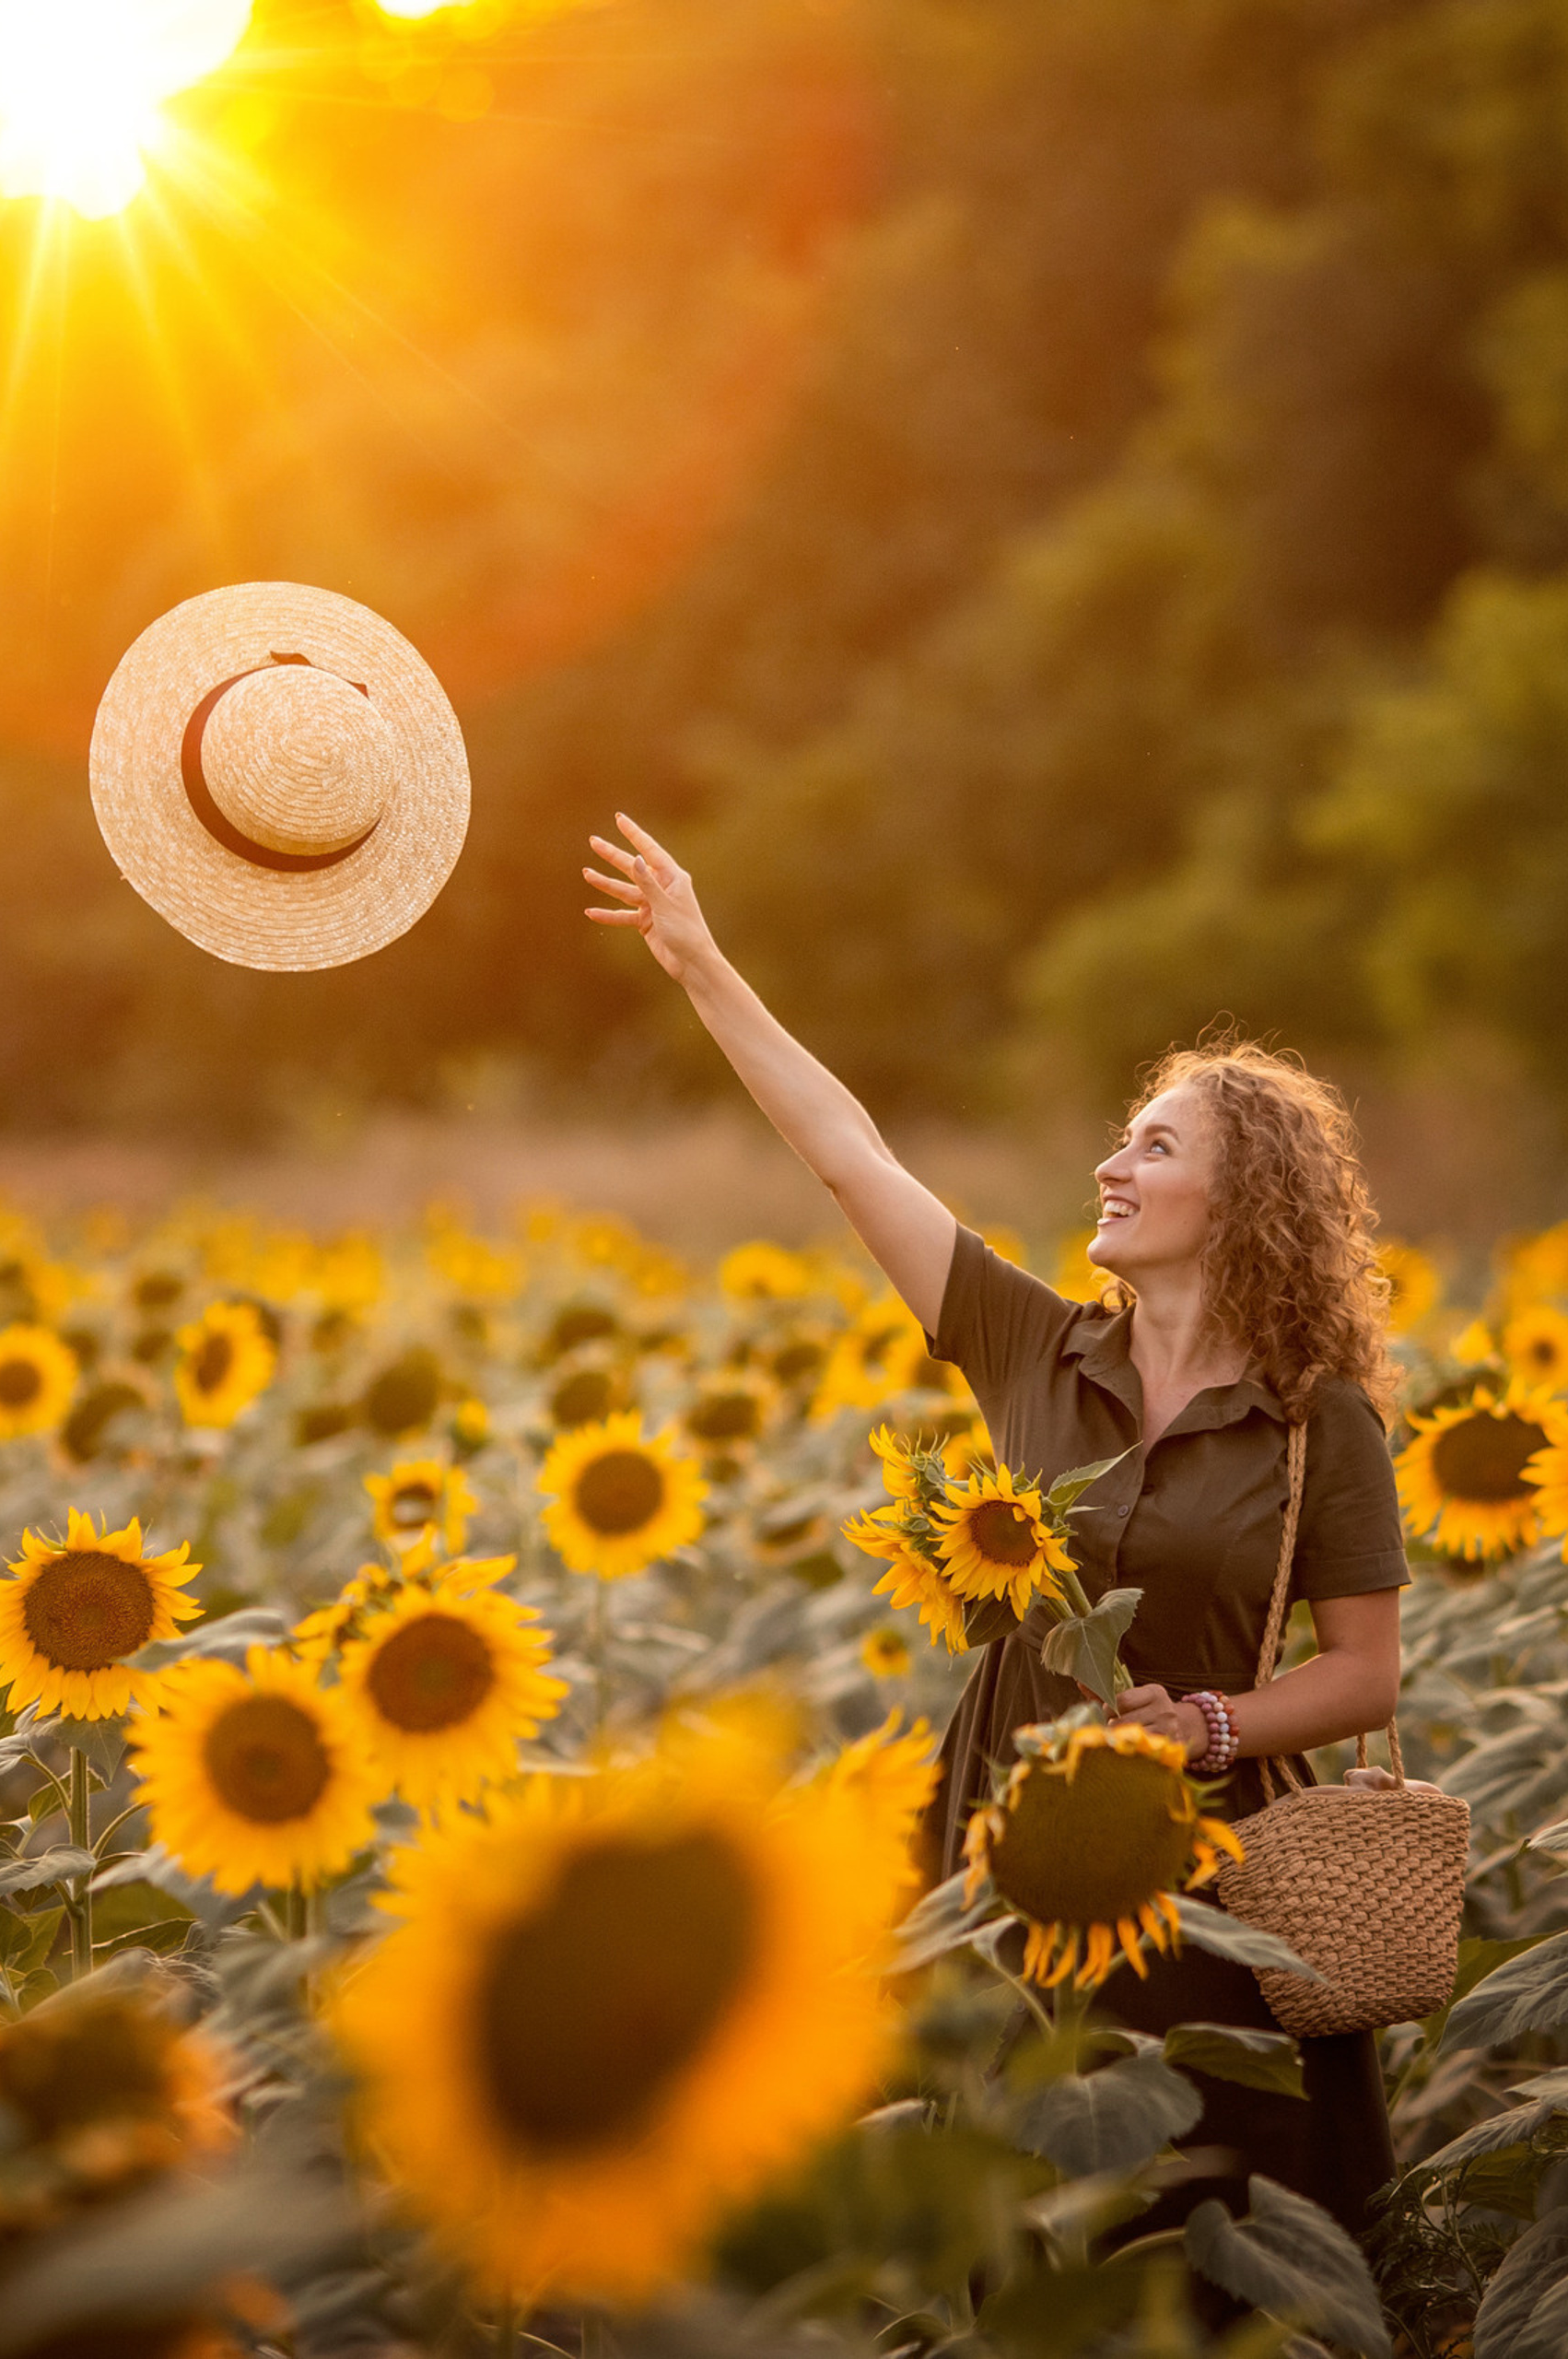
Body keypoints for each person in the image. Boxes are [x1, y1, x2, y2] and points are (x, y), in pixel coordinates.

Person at [583, 813, 1410, 2235]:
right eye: (1119, 1140)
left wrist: (1203, 1726)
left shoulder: (1316, 1421)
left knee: (1212, 2228)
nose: (1112, 1166)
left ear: (1242, 1200)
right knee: (1018, 2210)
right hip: (998, 1838)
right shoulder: (1032, 1346)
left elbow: (1364, 1676)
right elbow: (849, 1154)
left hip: (1209, 1884)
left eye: (1151, 1147)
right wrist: (700, 961)